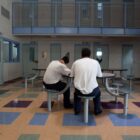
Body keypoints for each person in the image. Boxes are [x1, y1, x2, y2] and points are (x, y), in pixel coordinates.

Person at [71, 48, 103, 115]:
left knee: (76, 94)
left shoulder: (76, 62)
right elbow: (100, 75)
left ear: (81, 54)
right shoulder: (96, 62)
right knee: (98, 93)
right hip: (93, 91)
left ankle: (77, 110)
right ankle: (97, 110)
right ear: (90, 54)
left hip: (79, 91)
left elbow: (72, 75)